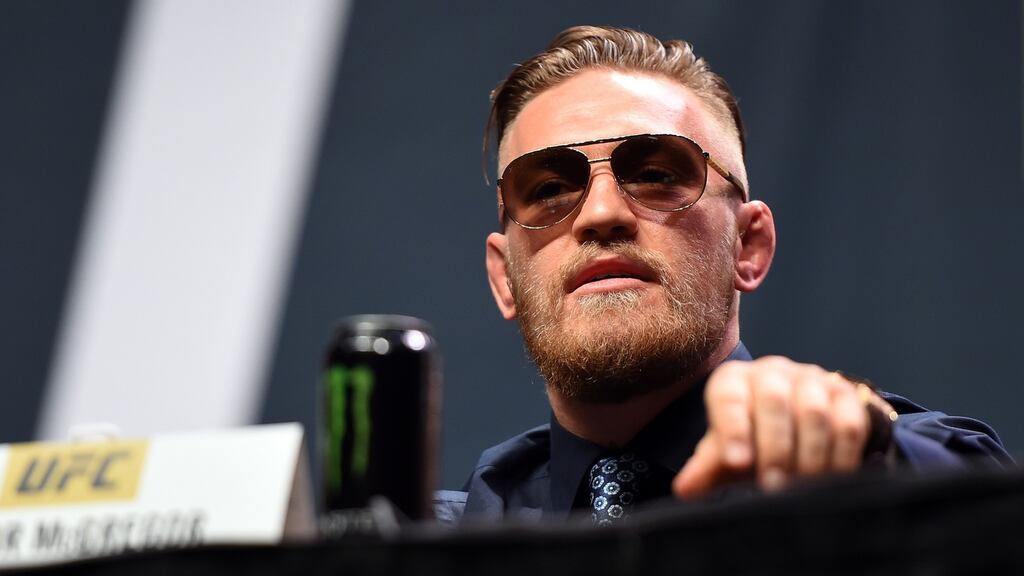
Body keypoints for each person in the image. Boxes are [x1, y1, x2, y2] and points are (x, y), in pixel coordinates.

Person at [434, 25, 1011, 525]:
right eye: (550, 189)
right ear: (506, 277)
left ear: (748, 245)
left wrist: (864, 448)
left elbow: (983, 508)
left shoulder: (880, 470)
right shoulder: (431, 545)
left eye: (657, 174)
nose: (602, 213)